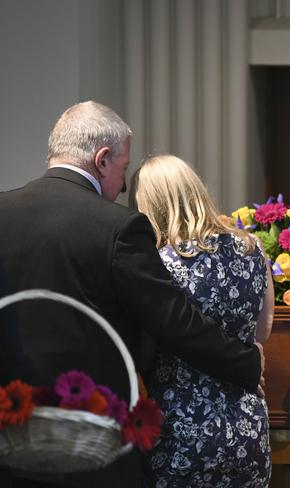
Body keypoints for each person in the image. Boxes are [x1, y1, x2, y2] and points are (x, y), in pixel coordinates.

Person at [0, 101, 263, 488]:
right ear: (102, 159)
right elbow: (173, 320)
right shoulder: (117, 227)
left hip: (11, 432)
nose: (123, 186)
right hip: (92, 440)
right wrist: (246, 363)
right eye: (123, 169)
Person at [130, 155, 274, 488]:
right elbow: (263, 330)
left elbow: (147, 346)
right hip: (246, 425)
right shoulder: (253, 249)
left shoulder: (157, 263)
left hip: (179, 426)